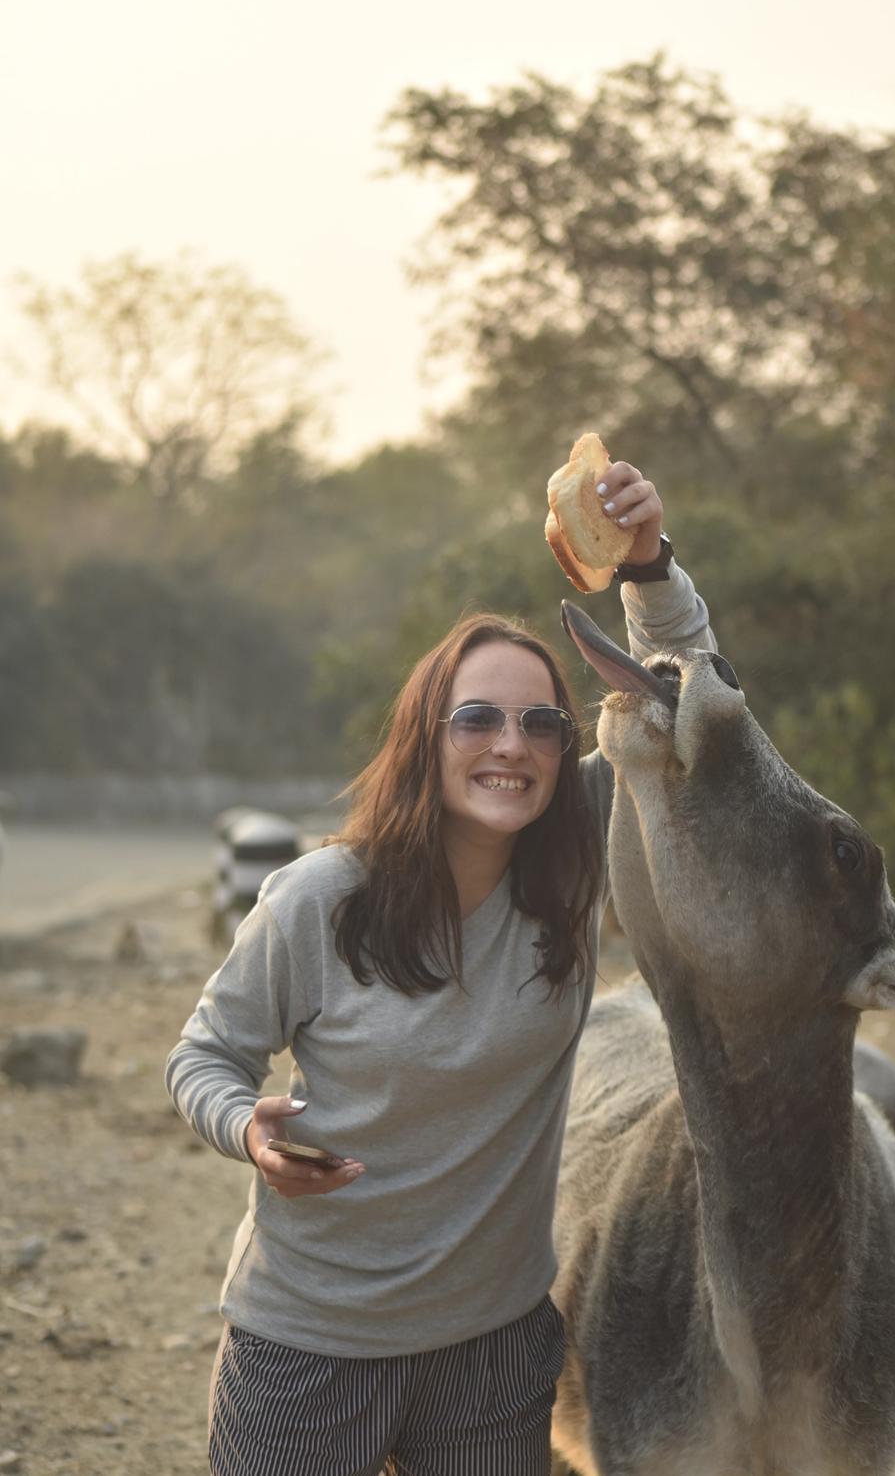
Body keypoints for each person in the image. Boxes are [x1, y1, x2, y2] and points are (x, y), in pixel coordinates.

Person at [165, 460, 717, 1476]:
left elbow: (688, 702)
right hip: (308, 1345)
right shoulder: (319, 899)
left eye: (541, 723)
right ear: (427, 735)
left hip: (493, 1351)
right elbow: (203, 1057)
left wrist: (648, 566)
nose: (513, 744)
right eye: (477, 718)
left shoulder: (578, 854)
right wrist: (246, 1129)